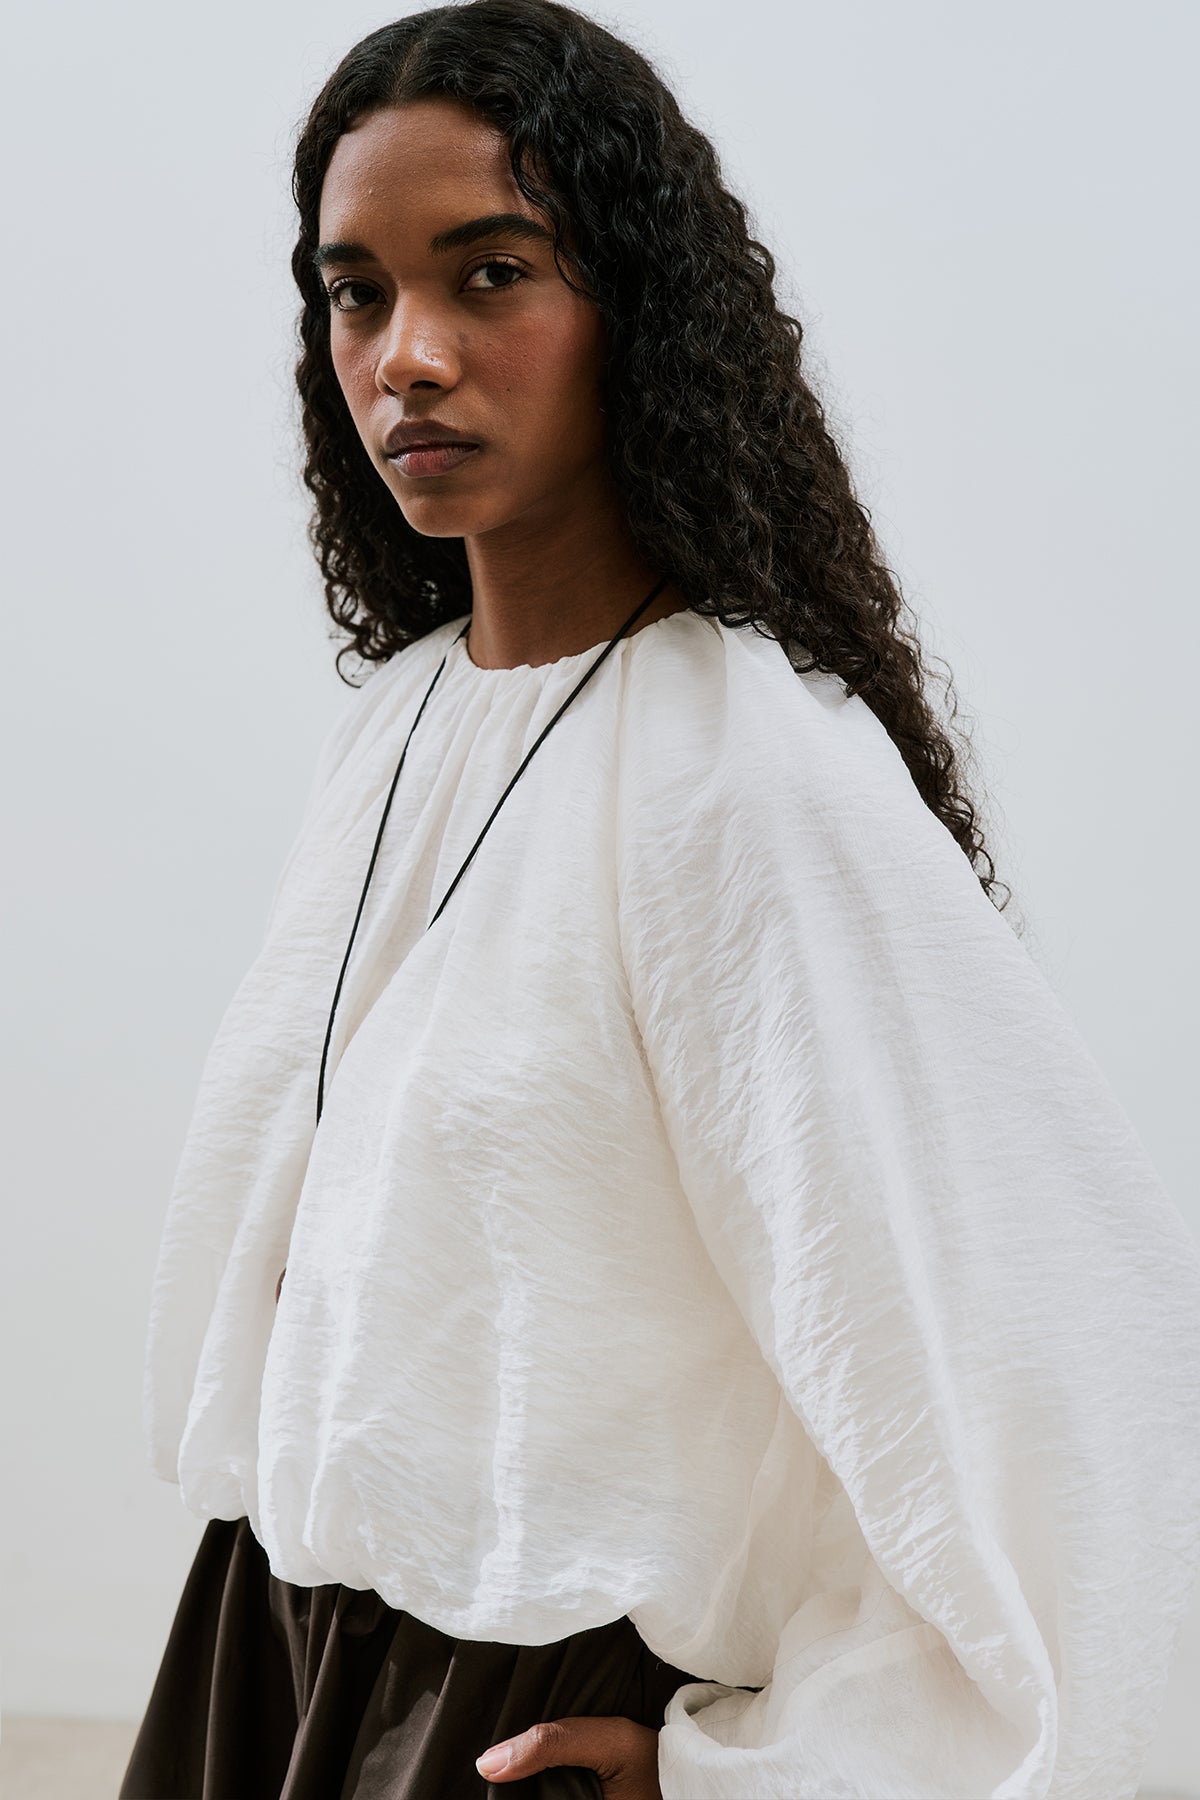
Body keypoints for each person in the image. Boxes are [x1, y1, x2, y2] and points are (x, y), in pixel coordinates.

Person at [119, 2, 1200, 1796]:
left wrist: (786, 1767)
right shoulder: (398, 725)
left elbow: (1060, 1356)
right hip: (275, 1653)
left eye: (492, 274)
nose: (407, 357)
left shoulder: (740, 769)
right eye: (357, 293)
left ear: (635, 302)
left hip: (513, 1713)